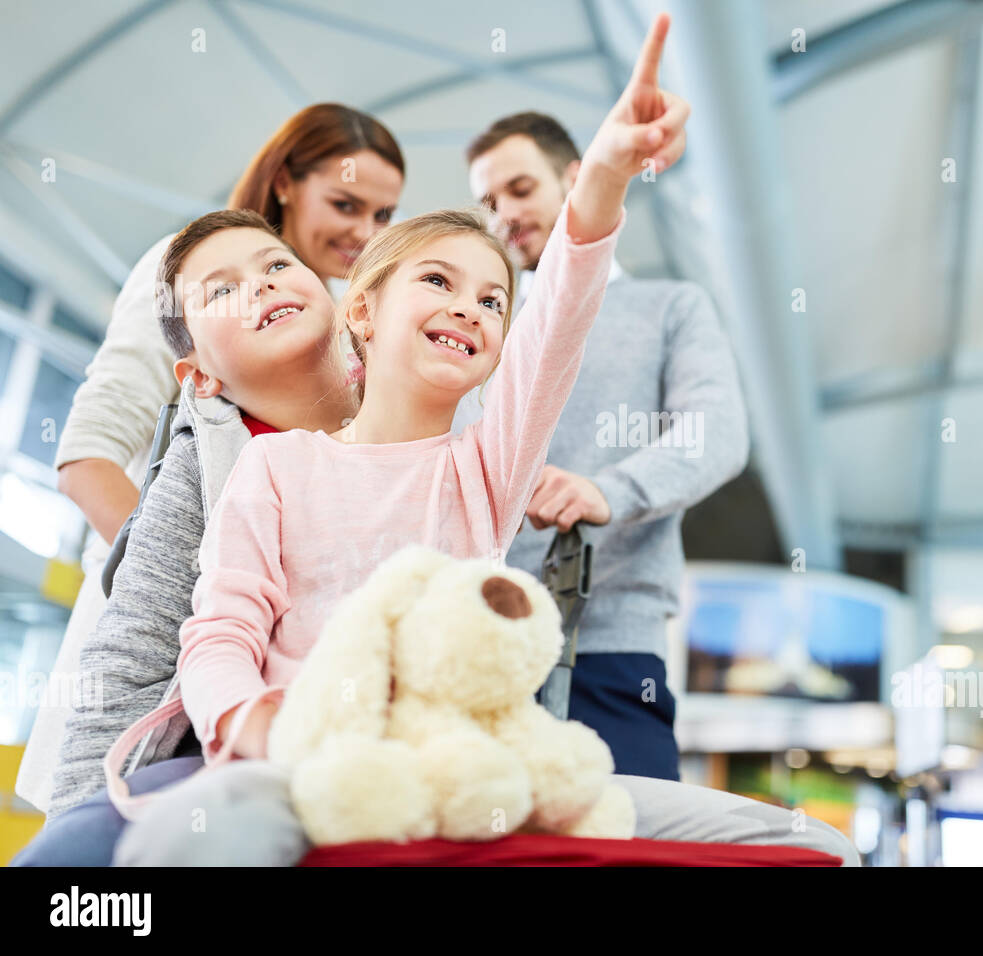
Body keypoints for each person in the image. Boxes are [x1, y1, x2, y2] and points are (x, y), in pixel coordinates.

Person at [13, 14, 858, 868]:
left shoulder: (484, 466)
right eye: (438, 280)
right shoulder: (268, 466)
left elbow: (559, 317)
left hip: (470, 764)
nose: (471, 306)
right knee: (213, 823)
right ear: (363, 310)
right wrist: (260, 724)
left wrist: (602, 176)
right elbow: (217, 632)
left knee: (806, 840)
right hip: (307, 758)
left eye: (494, 300)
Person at [16, 104, 404, 814]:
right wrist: (207, 590)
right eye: (346, 204)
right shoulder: (183, 269)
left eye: (385, 216)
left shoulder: (353, 317)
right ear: (286, 182)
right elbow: (87, 456)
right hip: (163, 664)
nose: (364, 232)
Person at [456, 111, 748, 780]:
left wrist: (607, 490)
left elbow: (717, 433)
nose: (504, 216)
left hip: (609, 649)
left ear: (577, 178)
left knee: (627, 843)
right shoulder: (477, 325)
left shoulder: (671, 307)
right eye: (489, 202)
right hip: (471, 647)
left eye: (521, 189)